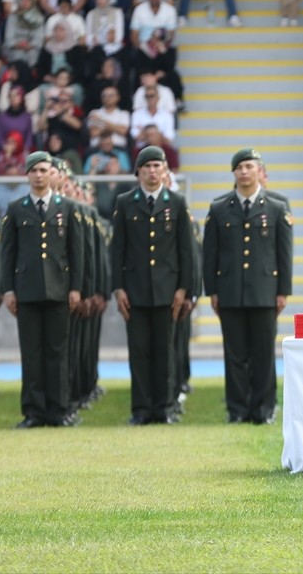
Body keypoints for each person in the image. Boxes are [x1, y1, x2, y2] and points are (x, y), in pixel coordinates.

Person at [202, 149, 293, 424]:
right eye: (239, 167)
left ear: (259, 171)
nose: (244, 171)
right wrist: (212, 291)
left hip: (265, 291)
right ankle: (238, 410)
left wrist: (282, 291)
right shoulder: (219, 208)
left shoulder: (276, 208)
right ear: (233, 173)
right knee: (235, 355)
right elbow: (210, 254)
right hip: (229, 292)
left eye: (249, 166)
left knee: (264, 354)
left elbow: (284, 253)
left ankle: (264, 409)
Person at [110, 146, 195, 426]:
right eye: (146, 167)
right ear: (138, 172)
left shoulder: (177, 202)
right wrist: (118, 288)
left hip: (167, 290)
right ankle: (141, 409)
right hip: (134, 291)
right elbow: (117, 250)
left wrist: (184, 289)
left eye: (157, 166)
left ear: (165, 170)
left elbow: (186, 251)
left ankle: (164, 408)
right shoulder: (125, 202)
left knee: (165, 351)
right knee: (139, 351)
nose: (152, 171)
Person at [0, 152, 85, 428]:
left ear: (52, 174)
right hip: (27, 291)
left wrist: (76, 288)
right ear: (27, 174)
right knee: (32, 353)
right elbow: (7, 254)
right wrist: (8, 290)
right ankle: (33, 412)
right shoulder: (16, 208)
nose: (39, 175)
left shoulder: (68, 207)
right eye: (34, 170)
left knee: (57, 353)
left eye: (44, 170)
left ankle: (58, 411)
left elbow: (76, 253)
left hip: (59, 290)